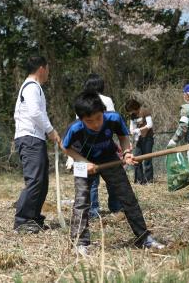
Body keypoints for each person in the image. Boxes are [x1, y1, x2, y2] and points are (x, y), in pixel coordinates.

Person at [62, 91, 165, 255]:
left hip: (109, 157)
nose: (95, 124)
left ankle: (144, 238)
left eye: (98, 118)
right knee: (82, 200)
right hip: (82, 159)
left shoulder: (114, 118)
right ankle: (80, 243)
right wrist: (83, 162)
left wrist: (126, 153)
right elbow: (65, 147)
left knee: (127, 196)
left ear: (103, 112)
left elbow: (123, 136)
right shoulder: (74, 128)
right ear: (81, 119)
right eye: (89, 121)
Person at [13, 56, 61, 234]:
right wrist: (50, 130)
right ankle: (23, 220)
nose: (48, 72)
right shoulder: (32, 87)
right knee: (35, 180)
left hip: (34, 138)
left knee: (41, 181)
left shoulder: (33, 87)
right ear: (42, 68)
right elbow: (34, 112)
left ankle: (34, 218)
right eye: (48, 69)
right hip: (30, 138)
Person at [66, 74, 122, 218]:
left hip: (84, 147)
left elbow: (76, 128)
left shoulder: (82, 102)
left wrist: (73, 158)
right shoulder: (107, 100)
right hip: (104, 146)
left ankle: (92, 209)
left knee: (90, 181)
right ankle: (116, 207)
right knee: (113, 179)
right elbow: (111, 123)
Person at [125, 99, 155, 184]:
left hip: (148, 138)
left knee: (147, 159)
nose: (130, 113)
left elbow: (150, 124)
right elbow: (132, 127)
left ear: (134, 107)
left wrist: (140, 129)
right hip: (138, 139)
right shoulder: (133, 116)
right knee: (136, 159)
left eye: (131, 110)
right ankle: (139, 180)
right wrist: (132, 131)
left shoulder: (145, 111)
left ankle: (149, 180)